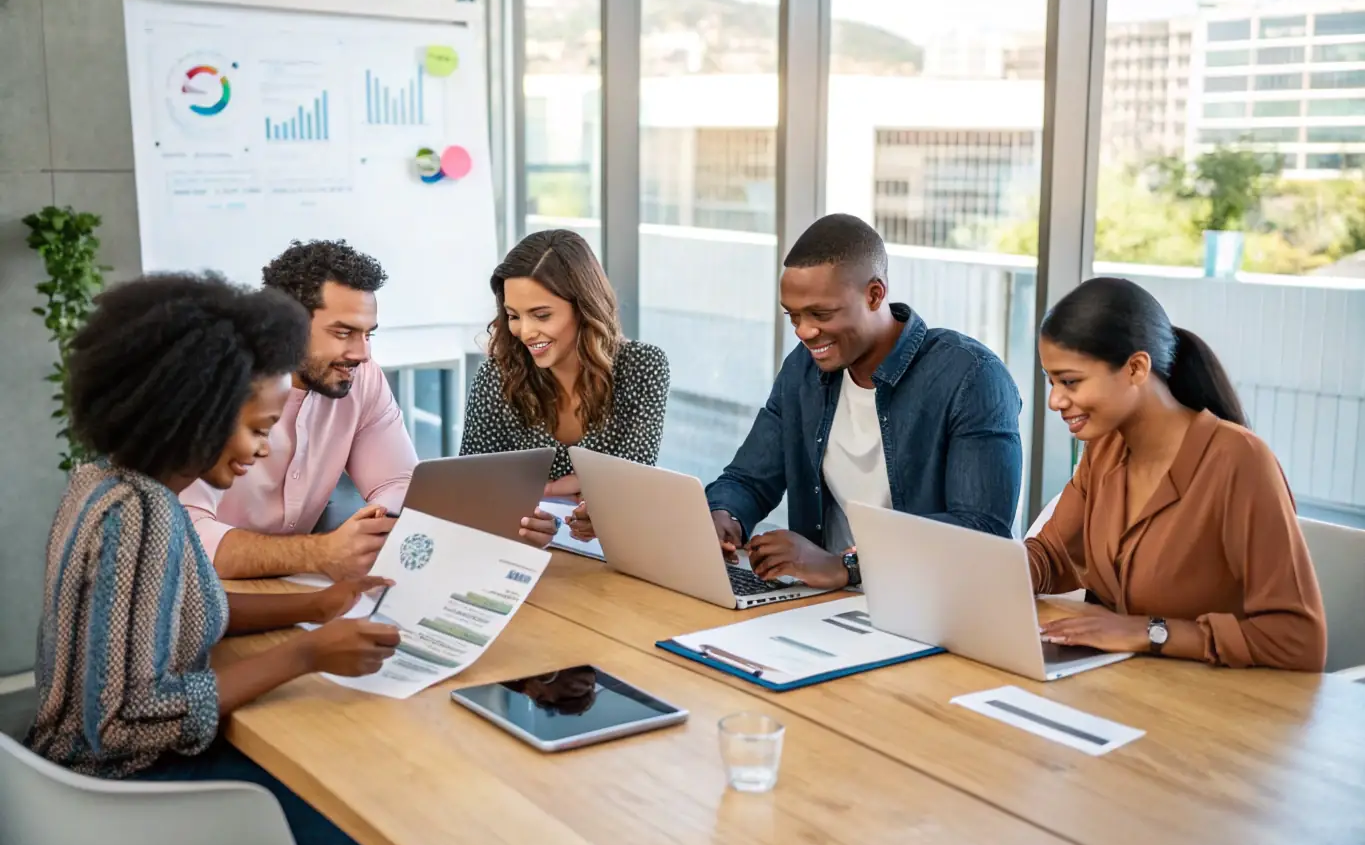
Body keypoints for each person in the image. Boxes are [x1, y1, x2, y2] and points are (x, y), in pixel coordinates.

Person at [26, 274, 406, 845]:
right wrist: (306, 651)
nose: (262, 451)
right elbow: (128, 719)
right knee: (390, 825)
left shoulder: (102, 481)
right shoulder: (142, 516)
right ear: (194, 414)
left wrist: (316, 603)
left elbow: (166, 606)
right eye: (258, 429)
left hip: (67, 784)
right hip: (118, 797)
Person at [705, 214, 1023, 589]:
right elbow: (749, 478)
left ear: (875, 294)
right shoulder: (802, 371)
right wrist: (724, 516)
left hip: (939, 604)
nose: (804, 332)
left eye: (821, 315)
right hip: (827, 605)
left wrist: (847, 565)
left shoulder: (972, 376)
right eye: (793, 316)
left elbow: (980, 530)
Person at [1027, 277, 1326, 671]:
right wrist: (978, 576)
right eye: (1051, 381)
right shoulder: (1104, 449)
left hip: (1217, 707)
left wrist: (1149, 631)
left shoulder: (1239, 460)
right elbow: (1051, 556)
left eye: (1070, 381)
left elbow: (1299, 639)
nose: (1055, 400)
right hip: (1126, 689)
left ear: (1136, 368)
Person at [181, 240, 418, 580]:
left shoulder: (363, 377)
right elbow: (186, 539)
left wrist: (368, 531)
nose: (362, 353)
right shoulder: (213, 388)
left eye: (368, 334)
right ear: (286, 324)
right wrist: (321, 553)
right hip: (206, 594)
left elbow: (400, 482)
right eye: (343, 332)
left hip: (295, 587)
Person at [460, 229, 670, 546]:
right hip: (520, 551)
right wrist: (570, 490)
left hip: (617, 553)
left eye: (541, 315)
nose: (525, 332)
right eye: (513, 315)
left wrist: (538, 490)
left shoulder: (643, 366)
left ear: (584, 307)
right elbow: (471, 487)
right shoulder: (499, 373)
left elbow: (632, 485)